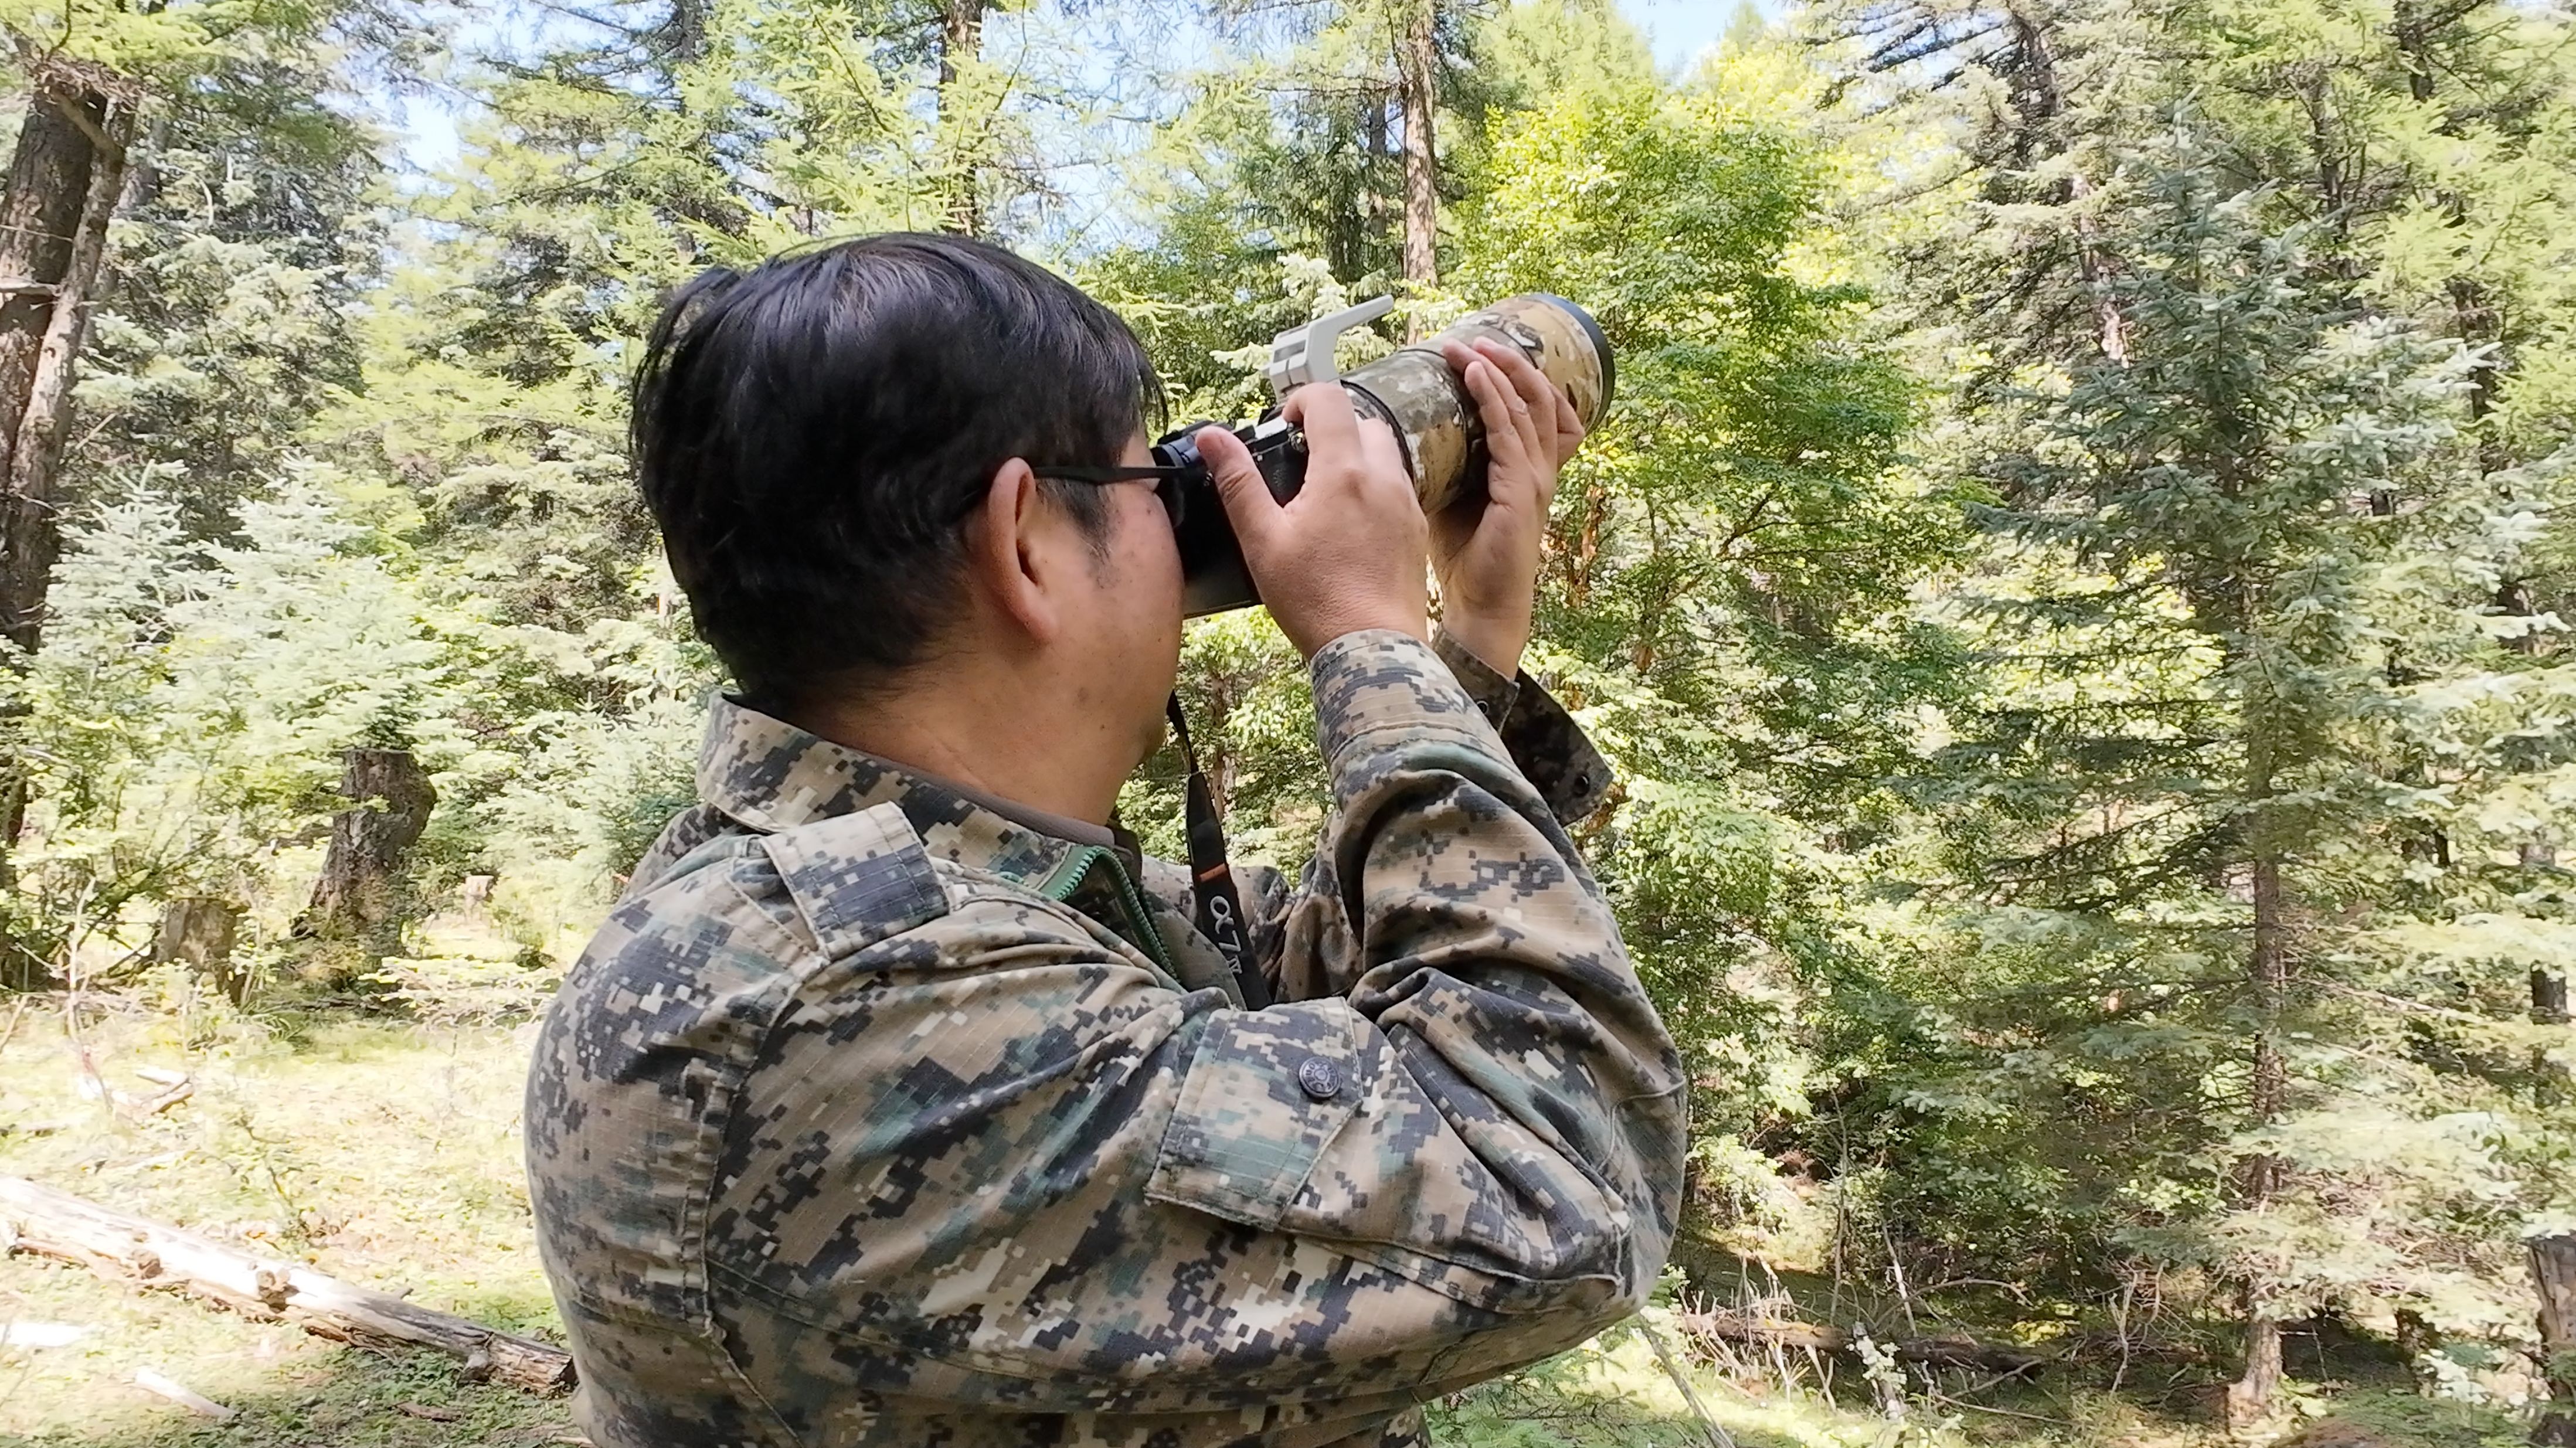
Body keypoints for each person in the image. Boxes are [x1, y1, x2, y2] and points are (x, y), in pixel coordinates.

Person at [523, 232, 1687, 1448]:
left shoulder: (914, 890)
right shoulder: (857, 997)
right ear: (1024, 538)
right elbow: (1566, 1176)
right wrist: (1366, 643)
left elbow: (1329, 991)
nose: (1189, 518)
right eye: (1155, 484)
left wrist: (1469, 647)